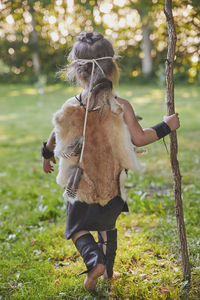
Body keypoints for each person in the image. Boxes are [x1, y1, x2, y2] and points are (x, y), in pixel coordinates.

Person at [42, 31, 180, 291]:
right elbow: (139, 138)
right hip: (111, 187)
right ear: (111, 68)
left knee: (78, 229)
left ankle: (94, 262)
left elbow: (54, 136)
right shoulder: (121, 106)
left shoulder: (70, 106)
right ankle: (107, 271)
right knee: (107, 227)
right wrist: (166, 126)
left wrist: (46, 155)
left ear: (77, 71)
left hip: (79, 187)